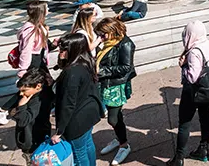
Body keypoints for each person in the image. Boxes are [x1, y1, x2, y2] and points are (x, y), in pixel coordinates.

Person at [0, 0, 52, 126]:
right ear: (41, 12)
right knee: (32, 88)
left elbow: (42, 46)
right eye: (47, 8)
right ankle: (2, 110)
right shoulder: (30, 30)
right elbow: (26, 50)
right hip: (33, 62)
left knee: (45, 86)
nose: (49, 10)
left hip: (39, 60)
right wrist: (23, 69)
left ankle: (8, 110)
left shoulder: (38, 26)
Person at [168, 21, 209, 165]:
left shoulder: (194, 52)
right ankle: (203, 149)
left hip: (192, 91)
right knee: (205, 117)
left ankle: (179, 158)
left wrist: (183, 65)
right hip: (206, 89)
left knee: (184, 123)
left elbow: (192, 77)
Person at [52, 33, 103, 166]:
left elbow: (68, 104)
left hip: (76, 120)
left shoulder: (71, 73)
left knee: (79, 154)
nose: (60, 51)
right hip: (89, 113)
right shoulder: (86, 62)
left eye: (63, 49)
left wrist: (59, 131)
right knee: (87, 145)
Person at [95, 17, 137, 166]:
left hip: (116, 86)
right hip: (106, 84)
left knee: (113, 118)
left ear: (112, 31)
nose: (101, 37)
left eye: (103, 34)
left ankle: (124, 145)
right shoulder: (107, 43)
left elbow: (126, 67)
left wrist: (101, 71)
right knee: (114, 115)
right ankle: (119, 138)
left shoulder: (125, 44)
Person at [12, 68, 53, 165]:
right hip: (40, 136)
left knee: (34, 162)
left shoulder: (35, 101)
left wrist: (21, 106)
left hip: (32, 140)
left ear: (38, 86)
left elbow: (23, 121)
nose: (22, 94)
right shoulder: (43, 93)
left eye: (24, 90)